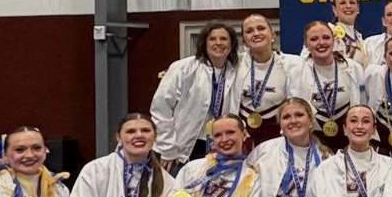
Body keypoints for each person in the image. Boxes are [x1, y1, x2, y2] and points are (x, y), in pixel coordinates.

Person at [151, 21, 241, 173]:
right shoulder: (183, 68)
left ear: (232, 44)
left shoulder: (236, 71)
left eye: (224, 39)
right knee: (180, 194)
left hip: (219, 145)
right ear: (204, 43)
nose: (218, 43)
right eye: (212, 39)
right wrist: (167, 148)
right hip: (182, 149)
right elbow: (161, 109)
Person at [288, 20, 368, 153]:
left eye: (326, 37)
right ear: (306, 45)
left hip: (349, 140)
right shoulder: (297, 72)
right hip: (314, 142)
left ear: (334, 40)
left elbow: (363, 105)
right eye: (314, 39)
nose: (321, 43)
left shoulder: (353, 68)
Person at [236, 14, 297, 146]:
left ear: (273, 35)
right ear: (244, 40)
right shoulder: (235, 65)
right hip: (243, 138)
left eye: (261, 28)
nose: (256, 33)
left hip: (279, 136)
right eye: (249, 31)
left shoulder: (293, 64)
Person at [329, 0, 369, 66]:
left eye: (352, 2)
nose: (348, 6)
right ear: (334, 10)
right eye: (342, 3)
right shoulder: (328, 33)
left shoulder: (358, 37)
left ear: (358, 8)